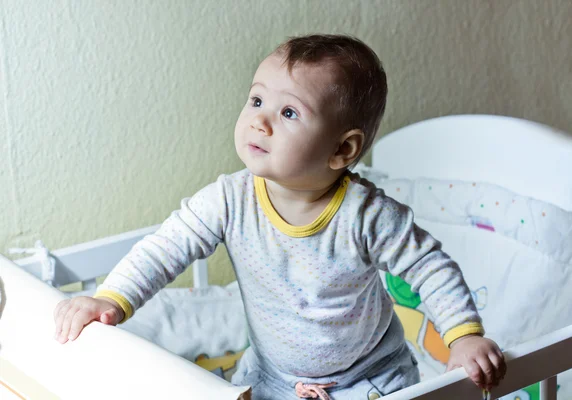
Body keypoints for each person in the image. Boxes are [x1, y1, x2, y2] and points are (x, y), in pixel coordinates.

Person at [54, 34, 506, 399]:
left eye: (288, 112)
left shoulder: (365, 215)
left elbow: (429, 266)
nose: (260, 122)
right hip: (273, 375)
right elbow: (166, 247)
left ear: (341, 149)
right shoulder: (229, 199)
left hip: (368, 378)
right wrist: (111, 299)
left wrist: (462, 336)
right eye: (256, 102)